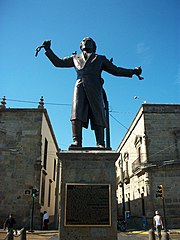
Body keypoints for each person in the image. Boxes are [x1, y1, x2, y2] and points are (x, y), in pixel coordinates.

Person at [43, 37, 143, 148]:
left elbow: (116, 70)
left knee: (98, 113)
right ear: (81, 45)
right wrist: (48, 50)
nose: (86, 41)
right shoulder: (75, 58)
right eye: (84, 40)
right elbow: (58, 63)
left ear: (94, 46)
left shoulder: (100, 58)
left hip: (95, 88)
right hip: (79, 87)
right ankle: (77, 141)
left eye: (89, 41)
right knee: (76, 113)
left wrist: (132, 71)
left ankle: (100, 142)